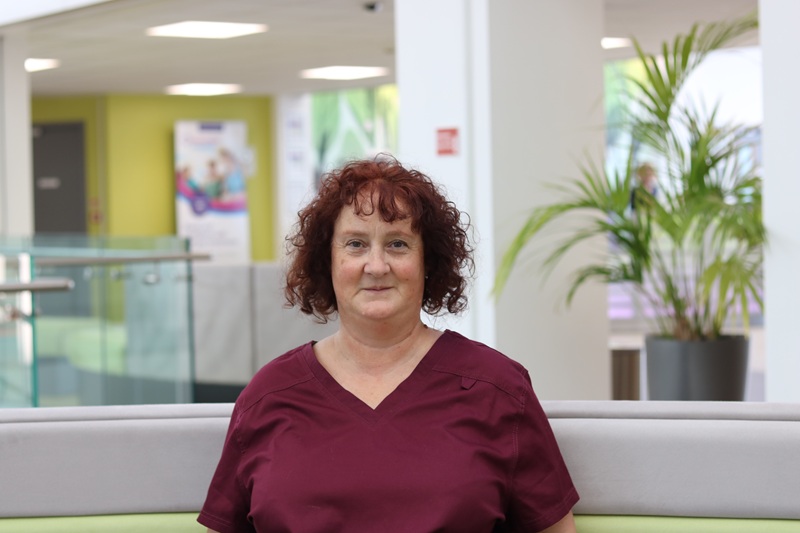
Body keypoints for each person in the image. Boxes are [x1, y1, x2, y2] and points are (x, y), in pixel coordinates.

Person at [198, 157, 579, 533]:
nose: (377, 266)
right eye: (355, 244)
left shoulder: (497, 389)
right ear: (326, 261)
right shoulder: (269, 394)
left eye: (398, 244)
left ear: (428, 262)